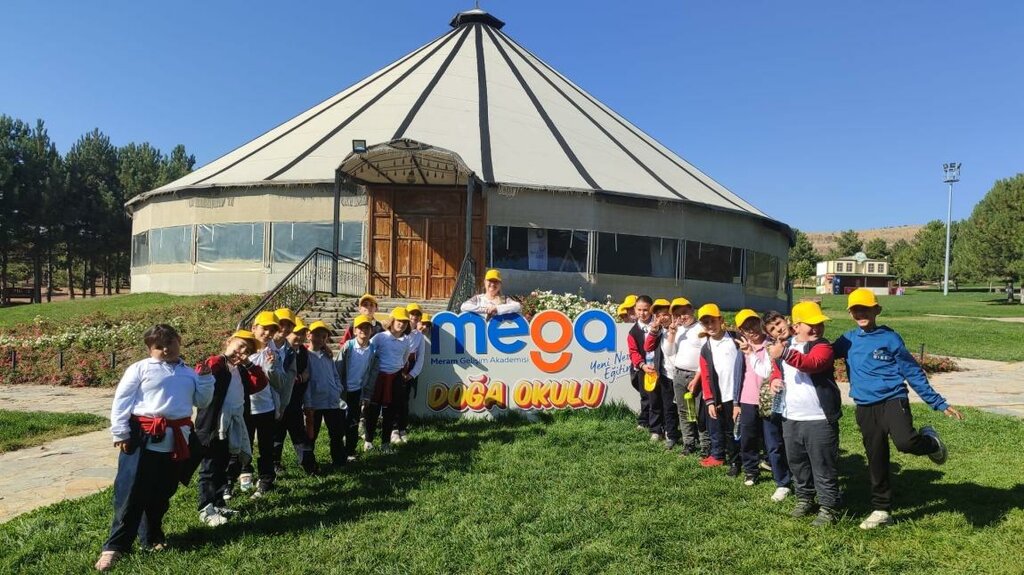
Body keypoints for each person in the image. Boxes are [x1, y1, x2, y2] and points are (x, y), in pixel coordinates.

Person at [833, 288, 964, 530]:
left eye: (866, 308)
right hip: (864, 406)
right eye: (856, 309)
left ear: (877, 311)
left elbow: (912, 372)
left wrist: (938, 403)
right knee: (876, 456)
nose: (861, 313)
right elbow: (821, 356)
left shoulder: (890, 338)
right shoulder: (847, 340)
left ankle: (932, 443)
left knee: (906, 443)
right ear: (850, 313)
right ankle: (882, 509)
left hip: (893, 400)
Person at [95, 325, 214, 572]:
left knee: (163, 491)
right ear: (150, 349)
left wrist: (204, 379)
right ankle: (114, 547)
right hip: (143, 436)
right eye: (158, 346)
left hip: (175, 439)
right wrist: (120, 431)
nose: (165, 349)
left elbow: (202, 402)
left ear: (179, 341)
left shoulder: (189, 372)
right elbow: (122, 400)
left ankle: (152, 537)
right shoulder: (139, 369)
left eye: (170, 343)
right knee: (131, 492)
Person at [768, 301, 843, 527]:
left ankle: (829, 506)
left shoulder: (823, 346)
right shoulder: (787, 345)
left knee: (822, 464)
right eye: (811, 324)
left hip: (819, 418)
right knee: (798, 462)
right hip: (791, 416)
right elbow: (776, 368)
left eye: (820, 324)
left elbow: (813, 364)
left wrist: (785, 354)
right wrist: (774, 380)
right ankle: (805, 498)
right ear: (797, 325)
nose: (817, 328)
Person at [193, 330, 268, 527]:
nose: (242, 351)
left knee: (222, 464)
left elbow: (260, 383)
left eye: (248, 350)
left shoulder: (241, 370)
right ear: (229, 342)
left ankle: (218, 502)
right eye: (240, 345)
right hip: (212, 424)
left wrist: (248, 364)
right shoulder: (217, 362)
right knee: (209, 466)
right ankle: (205, 506)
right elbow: (203, 372)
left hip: (232, 424)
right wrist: (223, 358)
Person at [736, 310, 792, 501]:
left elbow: (769, 371)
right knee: (748, 438)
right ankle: (751, 470)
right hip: (748, 399)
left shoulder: (772, 345)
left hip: (770, 401)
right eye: (746, 328)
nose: (751, 330)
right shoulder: (742, 349)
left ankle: (782, 479)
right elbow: (738, 376)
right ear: (740, 330)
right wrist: (736, 402)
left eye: (753, 325)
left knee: (773, 441)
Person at [239, 311, 286, 497]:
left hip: (266, 406)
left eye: (272, 330)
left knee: (266, 445)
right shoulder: (242, 350)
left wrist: (273, 367)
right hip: (245, 406)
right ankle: (244, 474)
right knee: (244, 443)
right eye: (264, 328)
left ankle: (266, 479)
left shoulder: (273, 353)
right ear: (254, 328)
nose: (267, 333)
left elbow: (279, 382)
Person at [695, 303, 743, 476]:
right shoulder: (706, 348)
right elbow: (706, 377)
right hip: (718, 396)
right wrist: (709, 400)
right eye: (705, 323)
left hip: (736, 395)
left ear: (721, 320)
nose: (710, 326)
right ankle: (721, 455)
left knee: (734, 431)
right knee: (718, 427)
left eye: (712, 321)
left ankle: (736, 461)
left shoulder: (735, 338)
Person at [660, 297, 706, 456]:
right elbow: (669, 351)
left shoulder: (701, 329)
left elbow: (705, 356)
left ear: (692, 310)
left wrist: (697, 378)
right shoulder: (677, 330)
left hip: (696, 375)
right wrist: (672, 333)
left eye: (685, 312)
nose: (682, 317)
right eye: (678, 315)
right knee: (683, 410)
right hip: (678, 373)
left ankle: (705, 445)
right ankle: (688, 443)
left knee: (700, 411)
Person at [365, 308, 413, 453]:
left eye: (405, 322)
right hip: (378, 378)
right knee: (372, 411)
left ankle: (385, 443)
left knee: (391, 412)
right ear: (392, 321)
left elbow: (404, 359)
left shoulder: (406, 341)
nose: (402, 324)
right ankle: (368, 442)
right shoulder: (380, 337)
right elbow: (369, 352)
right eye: (399, 321)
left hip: (396, 378)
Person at [303, 320, 347, 471]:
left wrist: (337, 388)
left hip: (332, 401)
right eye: (316, 334)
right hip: (315, 403)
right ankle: (309, 463)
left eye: (324, 336)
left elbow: (335, 374)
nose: (320, 338)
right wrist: (308, 403)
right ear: (308, 335)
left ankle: (339, 461)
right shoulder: (305, 356)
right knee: (311, 435)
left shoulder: (327, 355)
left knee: (336, 432)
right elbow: (306, 383)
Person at [274, 318, 313, 473]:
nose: (300, 337)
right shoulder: (282, 351)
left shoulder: (303, 351)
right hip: (279, 400)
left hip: (295, 400)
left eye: (303, 333)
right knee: (277, 436)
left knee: (299, 435)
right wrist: (299, 378)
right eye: (297, 333)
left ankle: (309, 465)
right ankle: (275, 464)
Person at [338, 314, 379, 460]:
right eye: (360, 328)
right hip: (342, 391)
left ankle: (350, 451)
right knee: (339, 422)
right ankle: (338, 451)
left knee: (353, 422)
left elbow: (372, 375)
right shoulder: (348, 347)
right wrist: (337, 390)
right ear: (355, 331)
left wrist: (366, 394)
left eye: (367, 327)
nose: (364, 330)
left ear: (371, 331)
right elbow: (338, 369)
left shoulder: (373, 351)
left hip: (357, 391)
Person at [643, 298, 682, 447]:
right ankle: (671, 435)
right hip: (666, 375)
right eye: (658, 315)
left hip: (683, 374)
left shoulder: (680, 329)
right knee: (668, 407)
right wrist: (653, 330)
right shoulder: (659, 332)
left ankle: (692, 436)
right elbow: (648, 347)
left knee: (685, 407)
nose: (662, 318)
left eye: (665, 314)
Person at [270, 308, 299, 472]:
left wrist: (283, 404)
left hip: (280, 398)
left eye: (289, 325)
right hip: (260, 398)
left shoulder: (290, 351)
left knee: (276, 434)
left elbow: (289, 380)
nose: (285, 328)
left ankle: (273, 464)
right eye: (282, 323)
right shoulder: (263, 345)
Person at [396, 303, 427, 444]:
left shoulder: (419, 336)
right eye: (411, 314)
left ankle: (402, 428)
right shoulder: (398, 331)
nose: (414, 316)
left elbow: (420, 358)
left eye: (417, 314)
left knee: (404, 400)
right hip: (395, 368)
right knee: (392, 400)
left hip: (409, 369)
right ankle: (393, 429)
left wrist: (411, 374)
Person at [626, 295, 655, 433]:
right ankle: (644, 421)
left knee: (658, 397)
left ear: (651, 310)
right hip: (643, 368)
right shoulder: (633, 332)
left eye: (645, 310)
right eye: (639, 310)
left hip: (658, 367)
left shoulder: (658, 326)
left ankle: (659, 424)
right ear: (635, 310)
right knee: (645, 396)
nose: (642, 313)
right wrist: (642, 365)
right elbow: (633, 352)